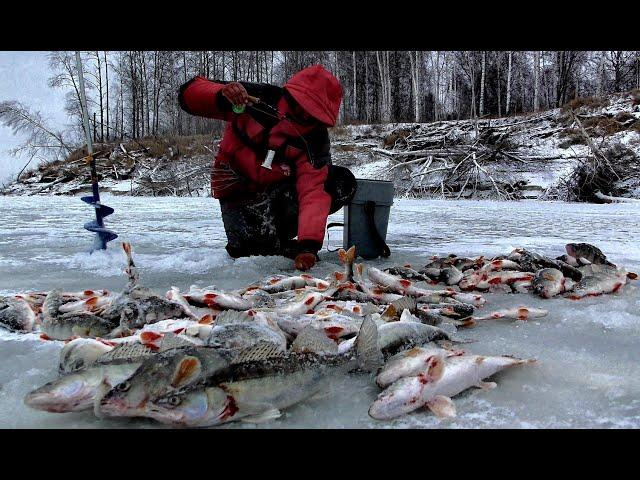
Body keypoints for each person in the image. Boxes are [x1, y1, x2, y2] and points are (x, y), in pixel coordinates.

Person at [178, 64, 357, 271]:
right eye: (300, 107)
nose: (303, 116)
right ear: (291, 96)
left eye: (311, 114)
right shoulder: (256, 97)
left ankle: (281, 240)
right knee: (245, 252)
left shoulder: (315, 139)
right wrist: (221, 93)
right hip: (237, 193)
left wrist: (308, 246)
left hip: (278, 193)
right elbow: (189, 94)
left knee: (340, 181)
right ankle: (267, 243)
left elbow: (313, 191)